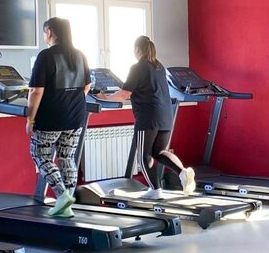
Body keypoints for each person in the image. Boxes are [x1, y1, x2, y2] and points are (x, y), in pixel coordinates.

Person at [100, 35, 195, 199]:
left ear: (137, 50)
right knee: (159, 152)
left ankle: (155, 190)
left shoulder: (138, 67)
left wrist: (105, 98)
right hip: (166, 116)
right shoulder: (159, 66)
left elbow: (124, 94)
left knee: (144, 155)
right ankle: (183, 173)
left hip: (148, 117)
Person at [26, 17, 91, 218]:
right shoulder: (79, 55)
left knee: (41, 156)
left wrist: (30, 120)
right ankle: (67, 204)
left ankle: (62, 195)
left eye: (45, 32)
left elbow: (36, 91)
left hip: (51, 118)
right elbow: (87, 86)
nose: (44, 36)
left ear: (51, 32)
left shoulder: (46, 56)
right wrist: (70, 101)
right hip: (76, 117)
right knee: (67, 157)